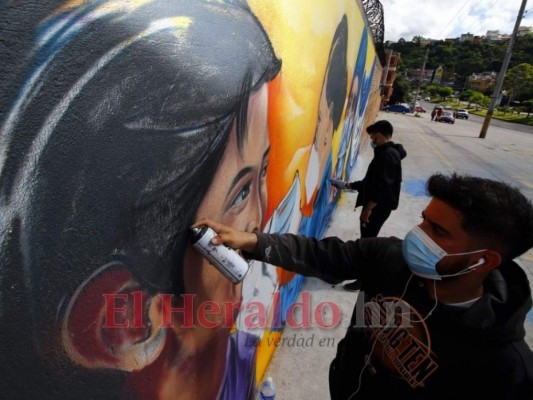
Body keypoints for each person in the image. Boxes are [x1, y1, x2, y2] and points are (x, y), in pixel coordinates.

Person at [0, 1, 280, 399]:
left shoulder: (239, 361)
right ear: (129, 319)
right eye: (239, 193)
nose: (258, 222)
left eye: (264, 171)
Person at [195, 173, 533, 400]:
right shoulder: (389, 258)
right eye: (424, 220)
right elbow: (319, 255)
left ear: (484, 260)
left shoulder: (506, 365)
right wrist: (254, 240)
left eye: (438, 232)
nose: (418, 235)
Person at [332, 120, 406, 291]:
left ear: (379, 135)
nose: (371, 139)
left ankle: (363, 280)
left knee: (367, 244)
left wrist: (368, 209)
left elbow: (383, 187)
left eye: (372, 136)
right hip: (379, 207)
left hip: (377, 208)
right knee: (367, 240)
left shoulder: (386, 156)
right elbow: (371, 182)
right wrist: (348, 185)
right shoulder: (389, 153)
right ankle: (363, 275)